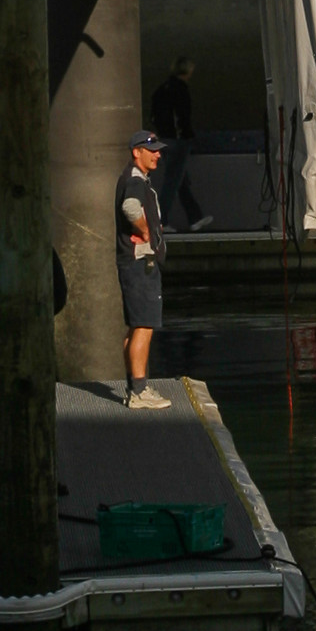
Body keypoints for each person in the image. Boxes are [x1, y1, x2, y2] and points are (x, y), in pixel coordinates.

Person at [0, 238, 69, 495]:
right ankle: (43, 477)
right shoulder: (44, 249)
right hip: (35, 338)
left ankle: (4, 479)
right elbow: (60, 295)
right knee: (38, 409)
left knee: (2, 412)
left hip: (0, 340)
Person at [116, 129, 171, 409]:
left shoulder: (134, 178)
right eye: (152, 150)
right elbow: (130, 208)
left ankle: (134, 386)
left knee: (136, 325)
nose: (158, 155)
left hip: (132, 263)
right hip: (141, 263)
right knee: (145, 325)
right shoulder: (135, 181)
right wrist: (146, 231)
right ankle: (139, 391)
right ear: (137, 152)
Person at [149, 54, 213, 232]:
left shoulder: (162, 89)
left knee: (179, 180)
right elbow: (183, 116)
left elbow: (154, 115)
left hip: (163, 139)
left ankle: (195, 217)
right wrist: (188, 135)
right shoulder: (181, 90)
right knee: (173, 181)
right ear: (188, 70)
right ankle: (161, 221)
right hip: (178, 140)